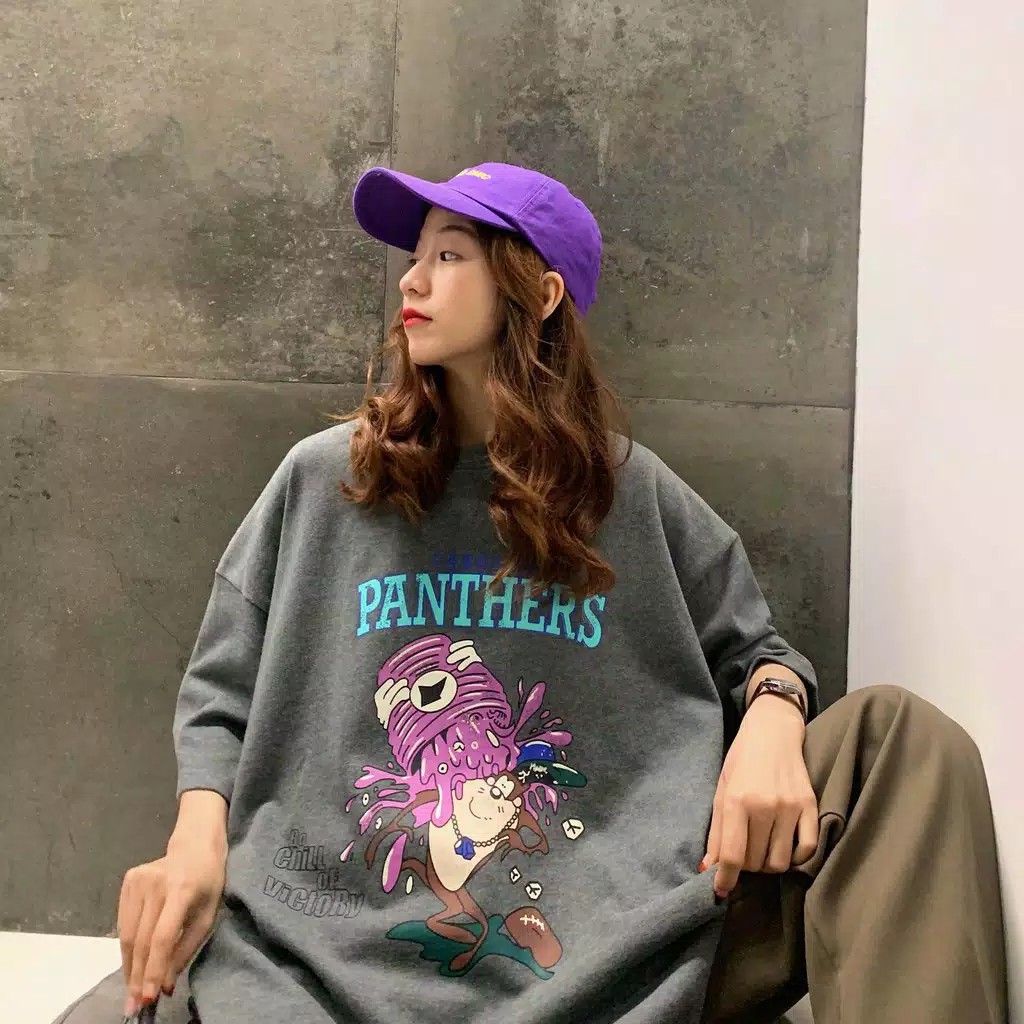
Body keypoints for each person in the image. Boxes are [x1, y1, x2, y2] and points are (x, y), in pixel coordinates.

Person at [56, 162, 1007, 1024]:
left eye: (448, 255)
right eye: (415, 258)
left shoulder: (631, 494)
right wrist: (196, 838)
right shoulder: (325, 483)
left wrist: (771, 711)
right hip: (327, 951)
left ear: (539, 293)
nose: (411, 282)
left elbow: (758, 650)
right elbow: (221, 694)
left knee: (901, 738)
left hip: (623, 949)